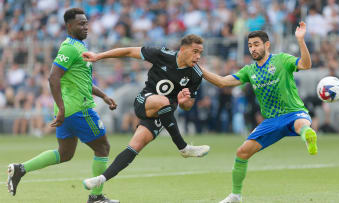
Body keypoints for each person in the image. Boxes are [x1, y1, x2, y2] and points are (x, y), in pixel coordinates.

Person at [7, 8, 119, 203]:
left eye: (86, 23)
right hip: (78, 109)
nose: (85, 26)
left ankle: (20, 168)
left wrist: (104, 96)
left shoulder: (79, 47)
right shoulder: (69, 48)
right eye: (80, 23)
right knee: (103, 148)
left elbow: (81, 81)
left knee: (65, 154)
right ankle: (96, 197)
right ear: (69, 26)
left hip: (68, 110)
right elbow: (53, 77)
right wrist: (62, 107)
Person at [199, 22, 317, 203]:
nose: (252, 49)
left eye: (256, 44)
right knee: (242, 152)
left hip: (293, 113)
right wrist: (199, 69)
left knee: (302, 124)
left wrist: (300, 40)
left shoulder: (282, 60)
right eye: (250, 46)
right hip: (270, 121)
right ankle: (236, 196)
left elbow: (306, 64)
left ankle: (308, 135)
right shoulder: (249, 70)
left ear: (267, 45)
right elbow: (223, 82)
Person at [81, 34, 210, 190]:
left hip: (163, 114)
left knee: (134, 147)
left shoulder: (196, 74)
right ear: (183, 49)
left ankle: (100, 180)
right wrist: (99, 56)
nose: (198, 57)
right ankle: (183, 147)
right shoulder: (162, 54)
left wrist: (184, 103)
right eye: (195, 51)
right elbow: (128, 51)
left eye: (200, 53)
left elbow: (188, 106)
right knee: (164, 101)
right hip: (145, 101)